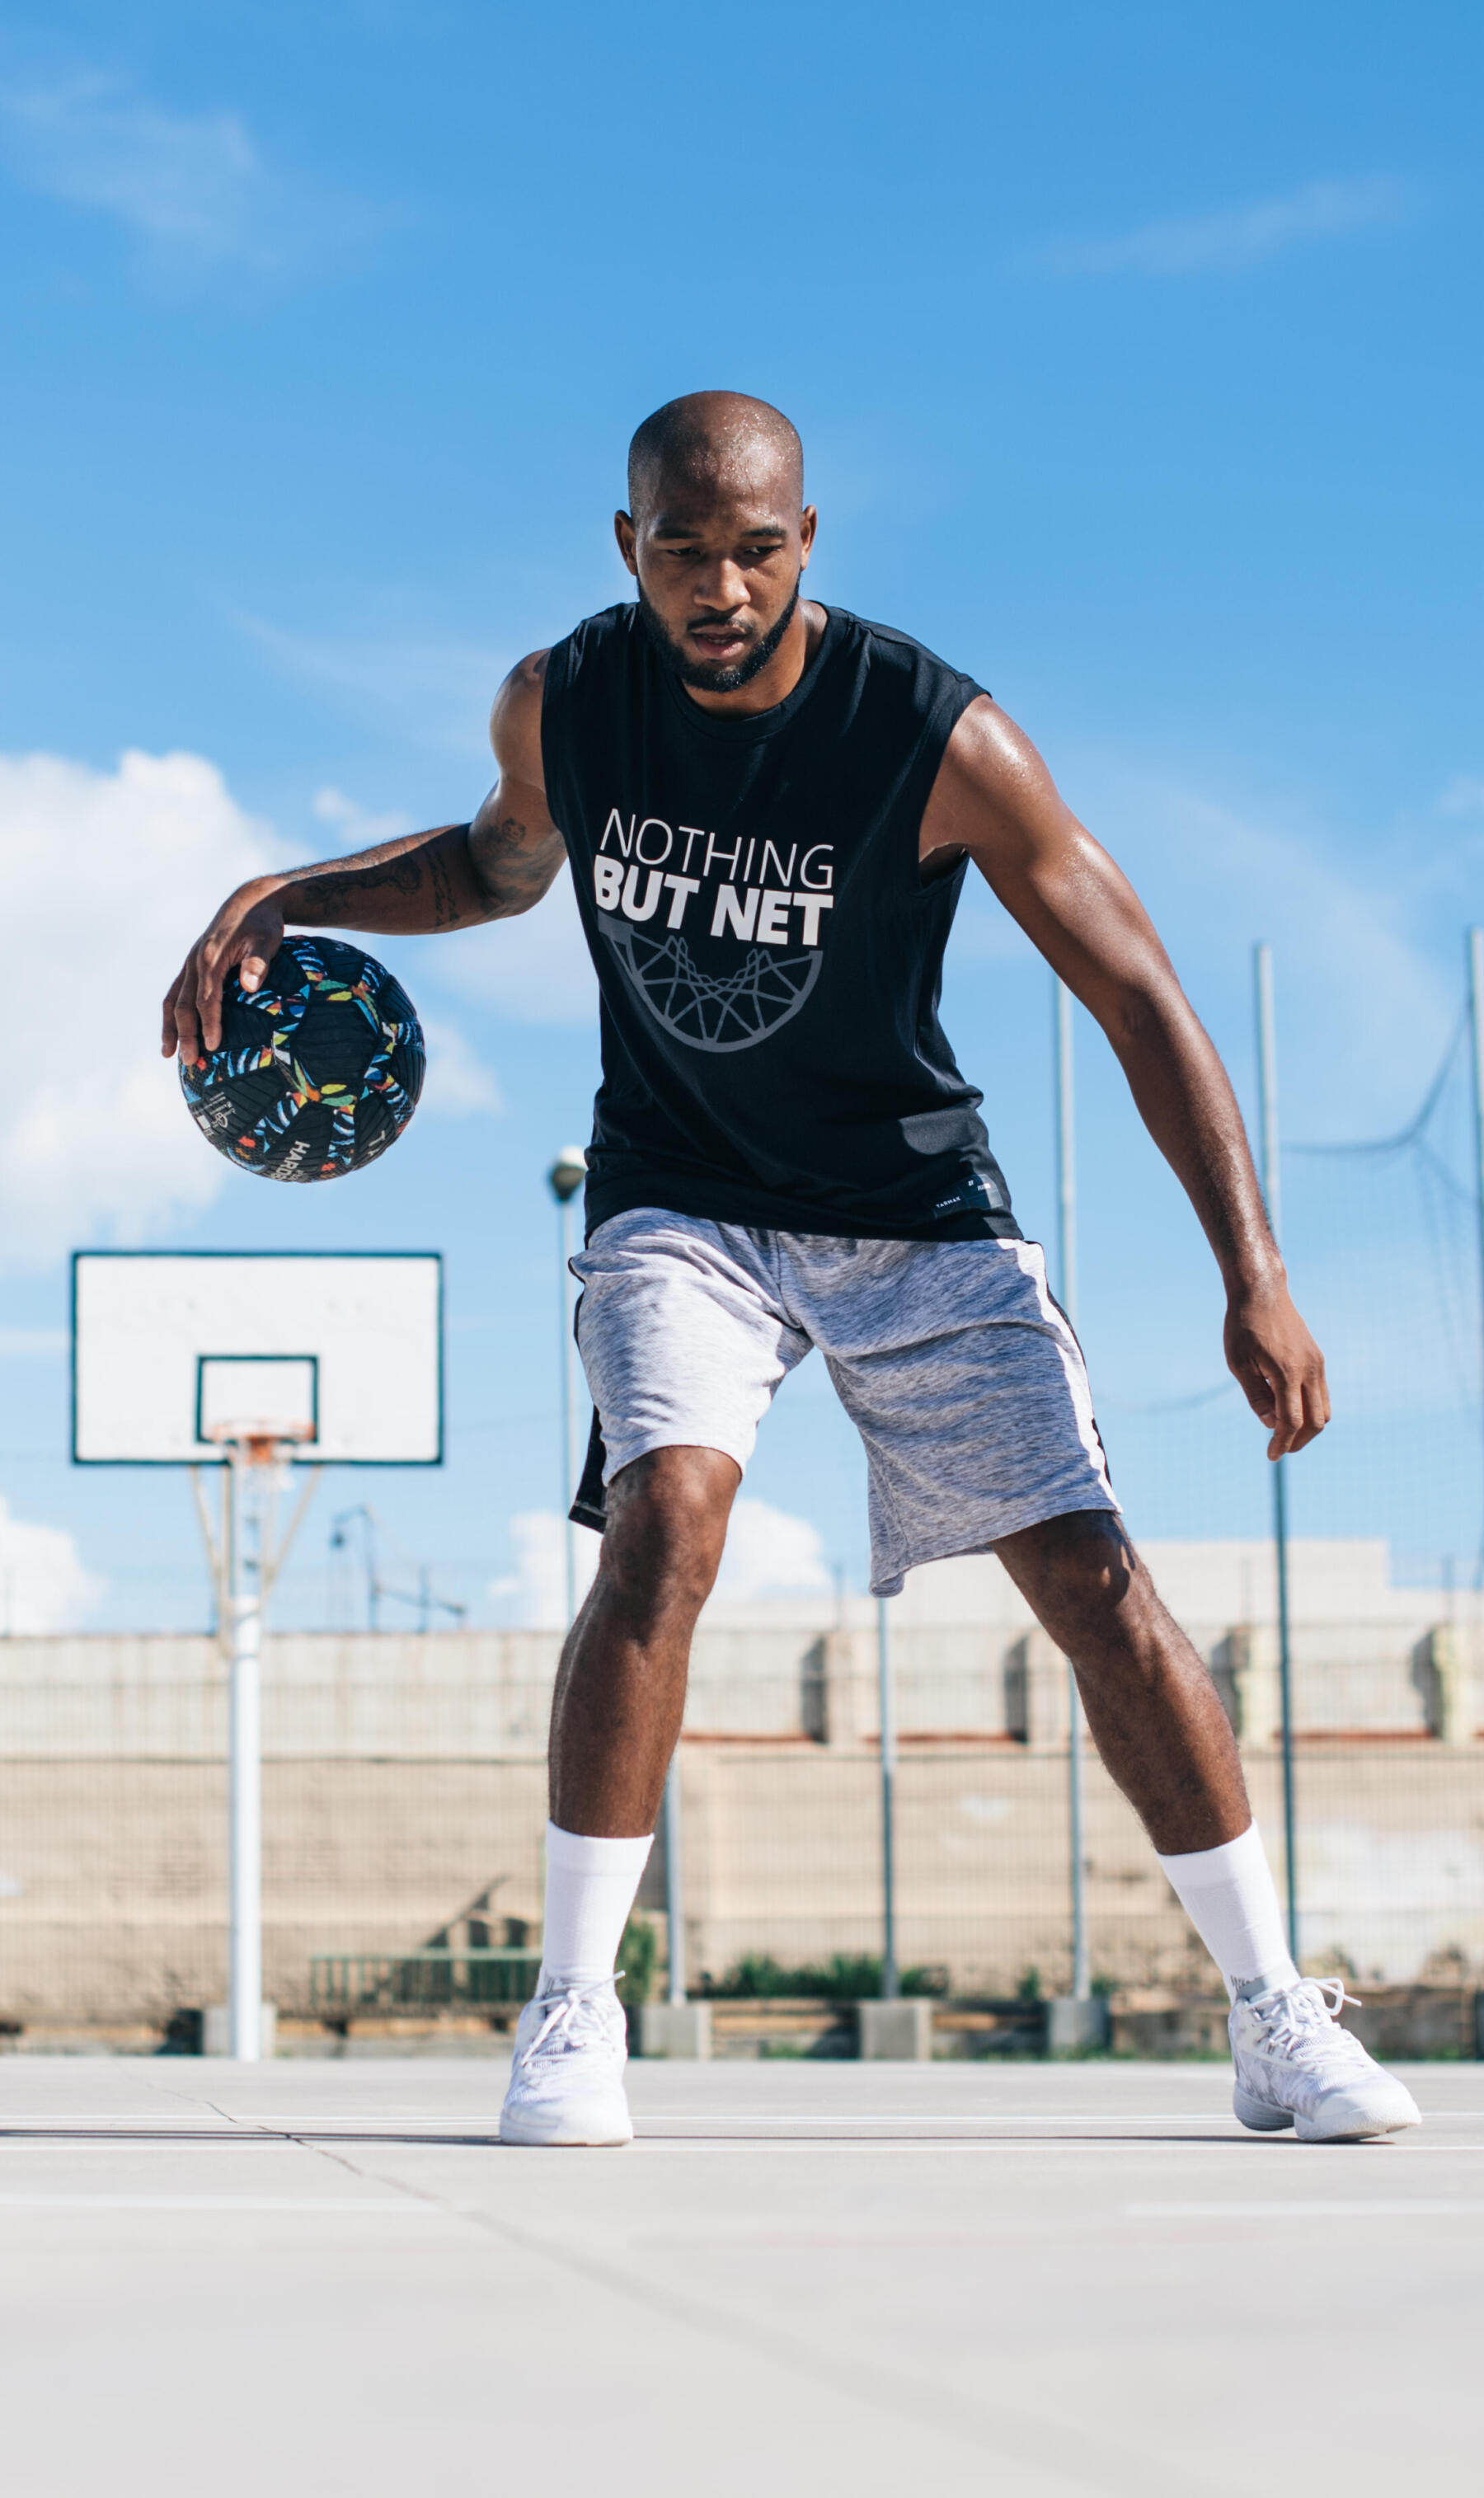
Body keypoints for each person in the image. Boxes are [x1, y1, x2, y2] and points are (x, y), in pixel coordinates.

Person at [163, 390, 1418, 2149]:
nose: (721, 585)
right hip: (679, 1197)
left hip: (911, 1209)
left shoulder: (933, 735)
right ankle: (574, 2011)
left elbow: (1135, 986)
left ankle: (1276, 2009)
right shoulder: (569, 699)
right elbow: (493, 863)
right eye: (684, 550)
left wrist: (1253, 1271)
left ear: (807, 541)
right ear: (631, 549)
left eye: (757, 548)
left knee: (1092, 1578)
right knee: (668, 1519)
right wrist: (290, 894)